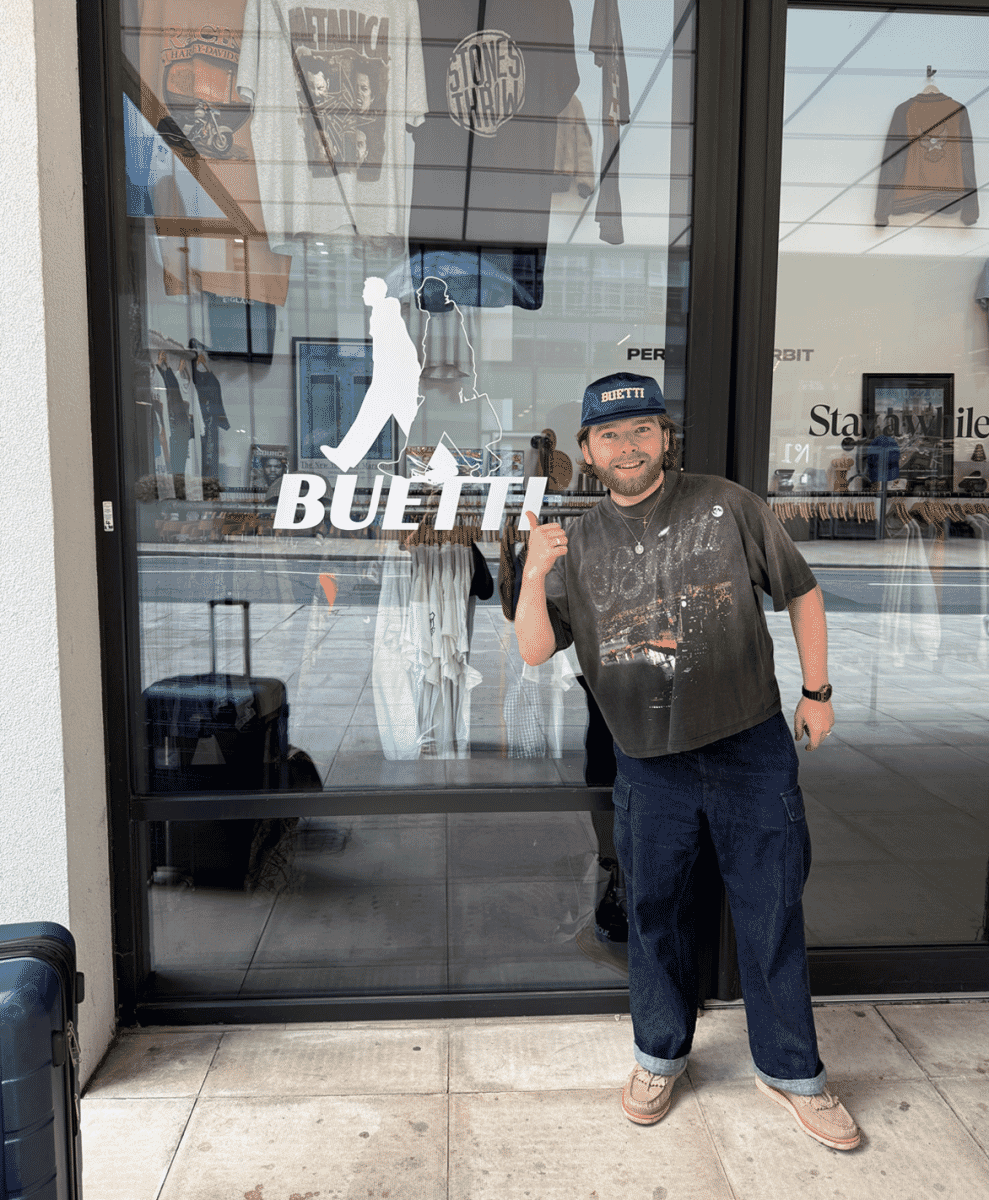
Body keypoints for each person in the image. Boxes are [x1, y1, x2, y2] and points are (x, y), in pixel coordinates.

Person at [514, 371, 861, 1152]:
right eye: (609, 435)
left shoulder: (726, 505)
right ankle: (658, 1057)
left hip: (749, 745)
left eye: (641, 429)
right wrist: (533, 570)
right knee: (654, 913)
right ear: (587, 450)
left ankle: (793, 1071)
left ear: (665, 438)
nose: (627, 446)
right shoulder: (575, 543)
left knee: (771, 908)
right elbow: (535, 647)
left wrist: (816, 692)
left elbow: (800, 590)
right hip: (647, 763)